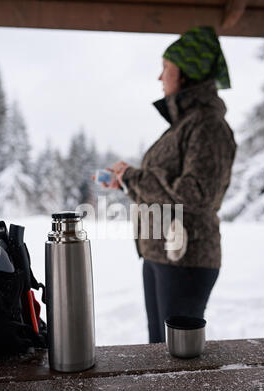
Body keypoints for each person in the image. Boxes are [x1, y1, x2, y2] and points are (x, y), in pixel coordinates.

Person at [94, 26, 237, 343]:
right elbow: (167, 188)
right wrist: (125, 183)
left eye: (165, 68)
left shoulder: (208, 125)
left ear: (185, 73)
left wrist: (133, 176)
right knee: (159, 350)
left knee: (177, 359)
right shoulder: (184, 125)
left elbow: (194, 195)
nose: (160, 78)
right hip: (160, 254)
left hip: (187, 259)